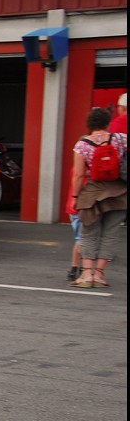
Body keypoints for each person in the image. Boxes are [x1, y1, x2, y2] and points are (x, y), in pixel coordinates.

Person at [68, 107, 127, 289]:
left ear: (89, 124)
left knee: (88, 233)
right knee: (110, 234)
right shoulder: (121, 139)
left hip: (93, 193)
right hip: (119, 192)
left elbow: (78, 175)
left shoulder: (82, 145)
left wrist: (75, 197)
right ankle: (100, 275)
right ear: (108, 123)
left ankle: (86, 274)